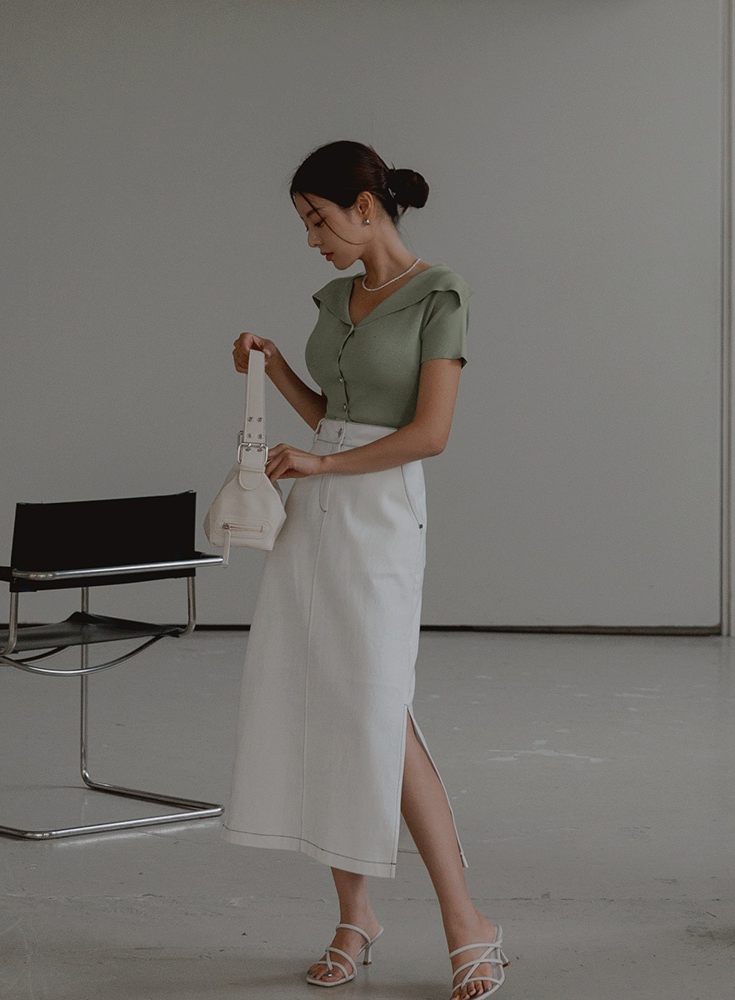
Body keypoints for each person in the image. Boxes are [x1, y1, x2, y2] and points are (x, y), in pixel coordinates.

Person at [222, 140, 507, 999]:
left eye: (319, 221)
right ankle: (356, 917)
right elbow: (332, 413)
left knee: (379, 709)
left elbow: (430, 434)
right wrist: (274, 366)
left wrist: (322, 465)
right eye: (306, 225)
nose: (313, 240)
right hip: (315, 513)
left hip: (379, 510)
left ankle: (468, 922)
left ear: (366, 207)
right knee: (321, 703)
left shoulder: (439, 294)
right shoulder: (336, 299)